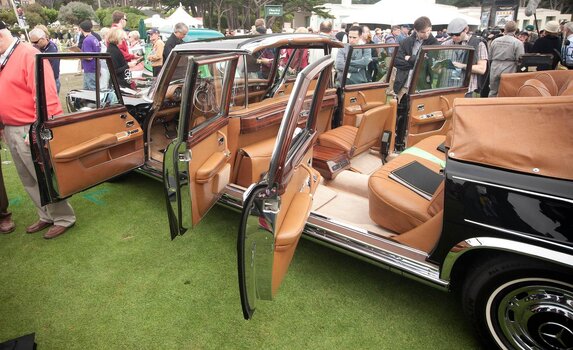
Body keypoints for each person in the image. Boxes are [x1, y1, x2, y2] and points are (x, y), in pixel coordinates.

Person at [0, 20, 76, 239]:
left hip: (29, 127)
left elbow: (46, 96)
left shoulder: (27, 54)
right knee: (28, 178)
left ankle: (63, 217)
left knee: (43, 176)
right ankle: (45, 215)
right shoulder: (7, 56)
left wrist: (38, 129)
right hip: (13, 127)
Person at [393, 16, 438, 100]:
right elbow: (397, 61)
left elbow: (428, 64)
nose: (426, 34)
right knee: (398, 110)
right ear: (416, 30)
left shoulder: (434, 44)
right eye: (423, 32)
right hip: (403, 83)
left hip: (421, 85)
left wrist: (410, 59)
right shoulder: (406, 41)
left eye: (428, 31)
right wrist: (417, 62)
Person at [441, 18, 488, 97]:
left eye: (457, 34)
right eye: (451, 34)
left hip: (466, 89)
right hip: (447, 87)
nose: (454, 37)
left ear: (466, 29)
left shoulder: (478, 44)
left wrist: (462, 66)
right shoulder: (445, 44)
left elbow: (482, 69)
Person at [488, 21, 524, 97]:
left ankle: (490, 106)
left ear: (505, 29)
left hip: (495, 66)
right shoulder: (518, 43)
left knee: (493, 90)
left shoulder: (495, 41)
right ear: (515, 30)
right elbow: (520, 59)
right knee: (506, 91)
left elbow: (489, 56)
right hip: (509, 67)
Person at [29, 27, 61, 93]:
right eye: (32, 42)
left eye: (36, 42)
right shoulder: (40, 48)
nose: (34, 45)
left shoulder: (52, 50)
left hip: (51, 81)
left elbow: (54, 72)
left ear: (43, 39)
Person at [79, 20, 101, 90]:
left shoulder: (87, 40)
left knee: (92, 89)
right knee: (86, 89)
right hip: (95, 66)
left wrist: (79, 54)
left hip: (90, 68)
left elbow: (89, 57)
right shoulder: (94, 38)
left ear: (81, 29)